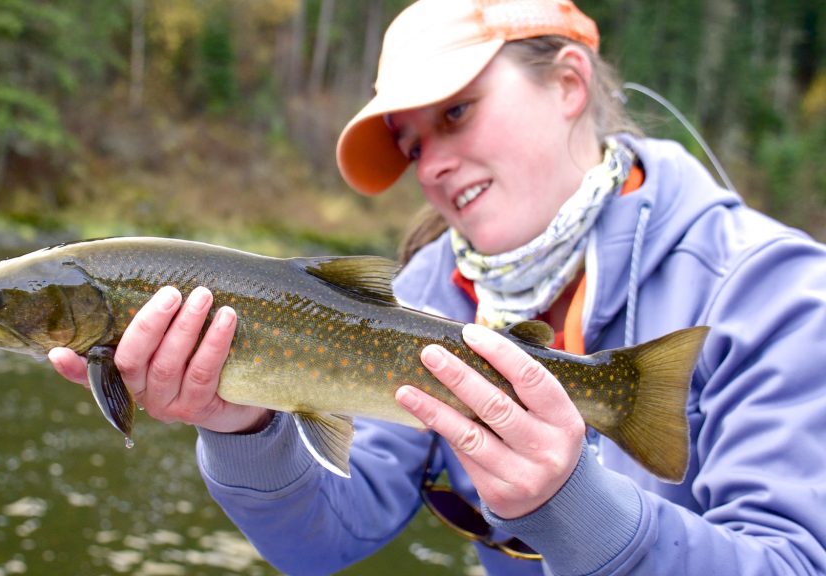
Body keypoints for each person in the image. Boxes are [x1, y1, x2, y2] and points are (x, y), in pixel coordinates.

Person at [49, 0, 826, 573]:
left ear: (567, 84)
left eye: (457, 113)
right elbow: (324, 540)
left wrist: (570, 502)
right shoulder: (429, 295)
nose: (433, 165)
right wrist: (243, 426)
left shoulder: (774, 294)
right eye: (411, 144)